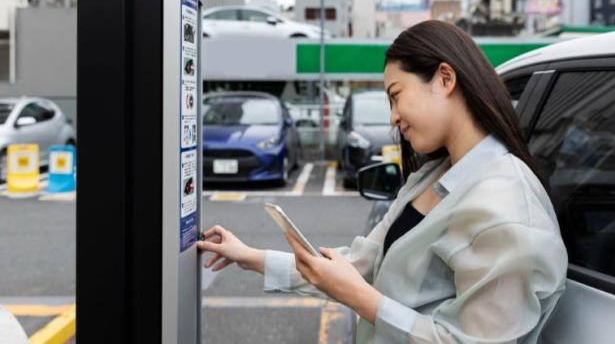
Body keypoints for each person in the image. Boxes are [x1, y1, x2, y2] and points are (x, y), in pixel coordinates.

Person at [197, 20, 568, 343]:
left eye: (396, 96)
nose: (392, 117)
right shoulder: (434, 175)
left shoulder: (507, 208)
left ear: (444, 78)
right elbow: (363, 263)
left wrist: (362, 299)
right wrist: (251, 257)